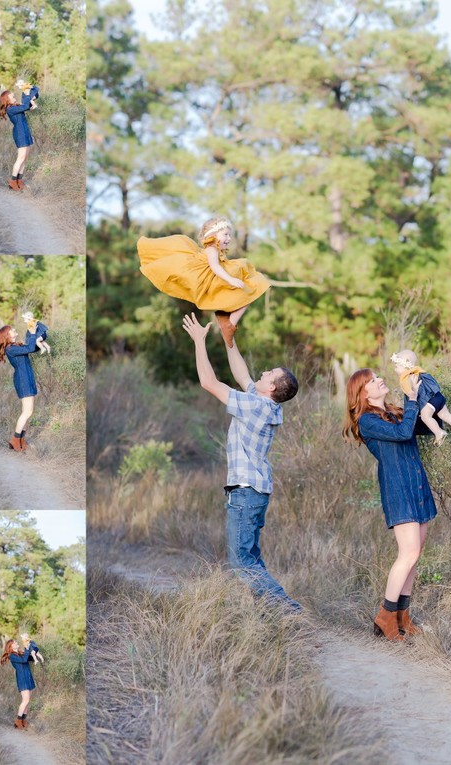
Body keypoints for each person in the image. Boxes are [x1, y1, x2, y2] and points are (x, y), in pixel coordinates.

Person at [182, 312, 301, 612]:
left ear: (272, 388)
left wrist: (199, 342)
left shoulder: (256, 405)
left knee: (241, 563)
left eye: (268, 374)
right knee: (252, 559)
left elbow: (209, 382)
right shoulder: (266, 404)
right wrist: (228, 338)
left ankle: (289, 612)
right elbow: (243, 375)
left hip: (246, 491)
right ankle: (268, 615)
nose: (262, 373)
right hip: (255, 491)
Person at [343, 368, 438, 640]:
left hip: (417, 484)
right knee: (407, 553)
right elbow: (403, 434)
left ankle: (402, 618)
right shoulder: (367, 421)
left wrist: (427, 395)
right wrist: (410, 399)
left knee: (415, 555)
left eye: (377, 377)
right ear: (362, 394)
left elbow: (425, 427)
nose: (379, 380)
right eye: (372, 381)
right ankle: (385, 617)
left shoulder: (394, 412)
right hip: (399, 489)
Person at [139, 217, 270, 347]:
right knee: (256, 284)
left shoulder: (216, 251)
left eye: (229, 235)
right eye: (225, 234)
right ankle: (229, 323)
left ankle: (226, 318)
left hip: (216, 279)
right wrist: (231, 279)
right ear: (213, 235)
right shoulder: (212, 249)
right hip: (211, 281)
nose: (229, 238)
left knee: (253, 283)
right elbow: (215, 267)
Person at [391, 349, 451, 445]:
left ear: (405, 366)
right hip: (438, 397)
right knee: (445, 415)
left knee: (425, 417)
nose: (395, 369)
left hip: (428, 401)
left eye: (396, 366)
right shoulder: (419, 372)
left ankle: (439, 433)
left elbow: (412, 396)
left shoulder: (405, 378)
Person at [0, 325, 40, 452]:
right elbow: (31, 347)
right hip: (23, 380)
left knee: (27, 412)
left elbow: (33, 348)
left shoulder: (15, 346)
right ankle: (15, 439)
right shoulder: (10, 349)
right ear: (7, 335)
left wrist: (34, 333)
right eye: (12, 330)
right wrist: (32, 334)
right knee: (28, 412)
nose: (15, 330)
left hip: (26, 379)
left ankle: (21, 440)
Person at [0, 82, 40, 191]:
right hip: (19, 132)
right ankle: (12, 181)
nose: (14, 97)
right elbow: (26, 105)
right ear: (7, 99)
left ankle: (19, 181)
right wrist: (25, 93)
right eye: (12, 96)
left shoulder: (16, 106)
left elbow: (36, 91)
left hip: (25, 131)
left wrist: (27, 87)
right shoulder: (10, 109)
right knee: (20, 158)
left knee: (25, 158)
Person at [0, 639, 35, 729]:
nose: (16, 643)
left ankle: (23, 720)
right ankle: (18, 721)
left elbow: (29, 658)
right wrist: (26, 649)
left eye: (16, 642)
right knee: (25, 700)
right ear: (10, 647)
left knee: (27, 701)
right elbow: (24, 660)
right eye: (14, 643)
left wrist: (30, 644)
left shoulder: (20, 653)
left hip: (28, 677)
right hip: (22, 679)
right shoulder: (12, 656)